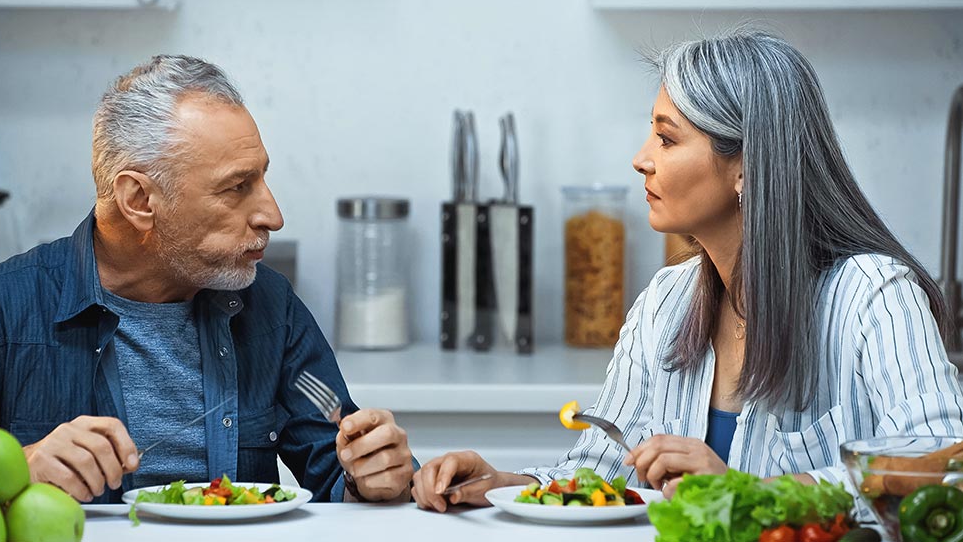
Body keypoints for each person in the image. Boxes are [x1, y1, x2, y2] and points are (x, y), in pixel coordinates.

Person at [412, 29, 963, 512]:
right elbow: (606, 469)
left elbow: (946, 469)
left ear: (746, 165)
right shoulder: (665, 302)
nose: (641, 158)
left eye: (667, 137)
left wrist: (752, 493)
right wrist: (506, 486)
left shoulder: (874, 297)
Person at [0, 55, 413, 504]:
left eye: (262, 179)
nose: (273, 215)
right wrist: (17, 471)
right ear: (138, 200)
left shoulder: (270, 305)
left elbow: (340, 466)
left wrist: (371, 473)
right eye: (237, 187)